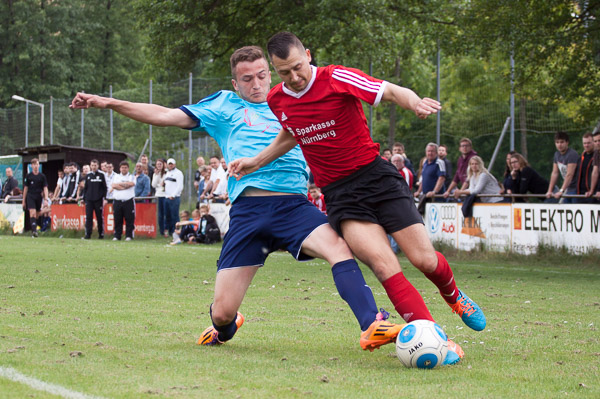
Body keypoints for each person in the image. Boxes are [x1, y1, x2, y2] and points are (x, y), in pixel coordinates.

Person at [70, 45, 409, 357]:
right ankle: (225, 327)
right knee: (222, 312)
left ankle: (371, 323)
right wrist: (109, 102)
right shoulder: (223, 106)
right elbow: (165, 115)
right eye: (247, 79)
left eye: (263, 75)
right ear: (235, 83)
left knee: (338, 248)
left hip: (294, 206)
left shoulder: (293, 98)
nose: (257, 84)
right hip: (248, 212)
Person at [230, 33, 485, 362]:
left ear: (308, 55)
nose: (293, 78)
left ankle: (453, 295)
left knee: (424, 259)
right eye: (284, 73)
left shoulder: (336, 77)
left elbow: (390, 91)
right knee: (383, 265)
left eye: (297, 67)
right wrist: (255, 161)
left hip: (378, 180)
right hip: (341, 196)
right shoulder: (278, 100)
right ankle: (434, 337)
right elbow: (292, 133)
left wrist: (415, 102)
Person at [546, 131, 579, 203]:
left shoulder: (572, 154)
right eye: (557, 142)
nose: (559, 145)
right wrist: (550, 191)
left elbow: (570, 174)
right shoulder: (556, 154)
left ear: (567, 142)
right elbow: (555, 173)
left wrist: (561, 190)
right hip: (567, 188)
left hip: (576, 188)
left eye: (562, 142)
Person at [413, 143, 447, 207]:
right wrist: (419, 191)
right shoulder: (425, 163)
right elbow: (424, 179)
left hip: (437, 197)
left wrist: (434, 191)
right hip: (426, 197)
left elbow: (441, 178)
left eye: (432, 151)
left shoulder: (439, 162)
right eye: (428, 151)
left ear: (436, 152)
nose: (430, 153)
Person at [22, 158, 49, 237]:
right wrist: (23, 200)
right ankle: (34, 231)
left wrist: (46, 199)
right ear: (31, 166)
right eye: (34, 165)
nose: (35, 166)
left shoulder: (42, 176)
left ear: (38, 165)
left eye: (37, 164)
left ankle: (34, 229)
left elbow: (45, 188)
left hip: (38, 196)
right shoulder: (29, 176)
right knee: (32, 212)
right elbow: (25, 188)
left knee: (37, 214)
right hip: (30, 196)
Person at [82, 159, 107, 239]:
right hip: (89, 200)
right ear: (90, 166)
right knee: (88, 217)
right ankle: (88, 234)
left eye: (95, 165)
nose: (93, 167)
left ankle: (101, 234)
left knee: (99, 217)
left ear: (98, 166)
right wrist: (84, 198)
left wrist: (104, 197)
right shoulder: (88, 175)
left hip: (98, 200)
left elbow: (104, 188)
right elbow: (85, 188)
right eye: (92, 165)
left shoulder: (102, 175)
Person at [111, 161, 136, 241]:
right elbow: (114, 185)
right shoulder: (116, 176)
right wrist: (125, 186)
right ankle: (117, 235)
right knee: (117, 219)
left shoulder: (131, 176)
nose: (124, 169)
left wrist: (120, 185)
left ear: (128, 168)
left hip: (128, 201)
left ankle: (129, 235)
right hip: (118, 201)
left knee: (129, 219)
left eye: (125, 167)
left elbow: (131, 184)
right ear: (120, 168)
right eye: (122, 167)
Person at [164, 158, 184, 235]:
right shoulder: (167, 173)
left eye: (172, 164)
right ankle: (169, 231)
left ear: (174, 164)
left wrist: (173, 195)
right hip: (167, 197)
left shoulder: (178, 173)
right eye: (169, 164)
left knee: (174, 215)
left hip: (174, 198)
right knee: (168, 215)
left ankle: (176, 231)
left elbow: (180, 186)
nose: (170, 165)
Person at [576, 132, 596, 203]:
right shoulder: (581, 158)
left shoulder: (596, 156)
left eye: (588, 143)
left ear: (593, 142)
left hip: (593, 195)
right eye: (584, 143)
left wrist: (594, 190)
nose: (586, 145)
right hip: (580, 194)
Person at [152, 158, 168, 236]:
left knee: (166, 213)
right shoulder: (155, 174)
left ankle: (166, 229)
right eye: (157, 164)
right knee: (159, 214)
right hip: (158, 195)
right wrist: (157, 175)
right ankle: (161, 230)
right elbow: (154, 185)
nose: (159, 166)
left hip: (165, 195)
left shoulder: (167, 173)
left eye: (160, 164)